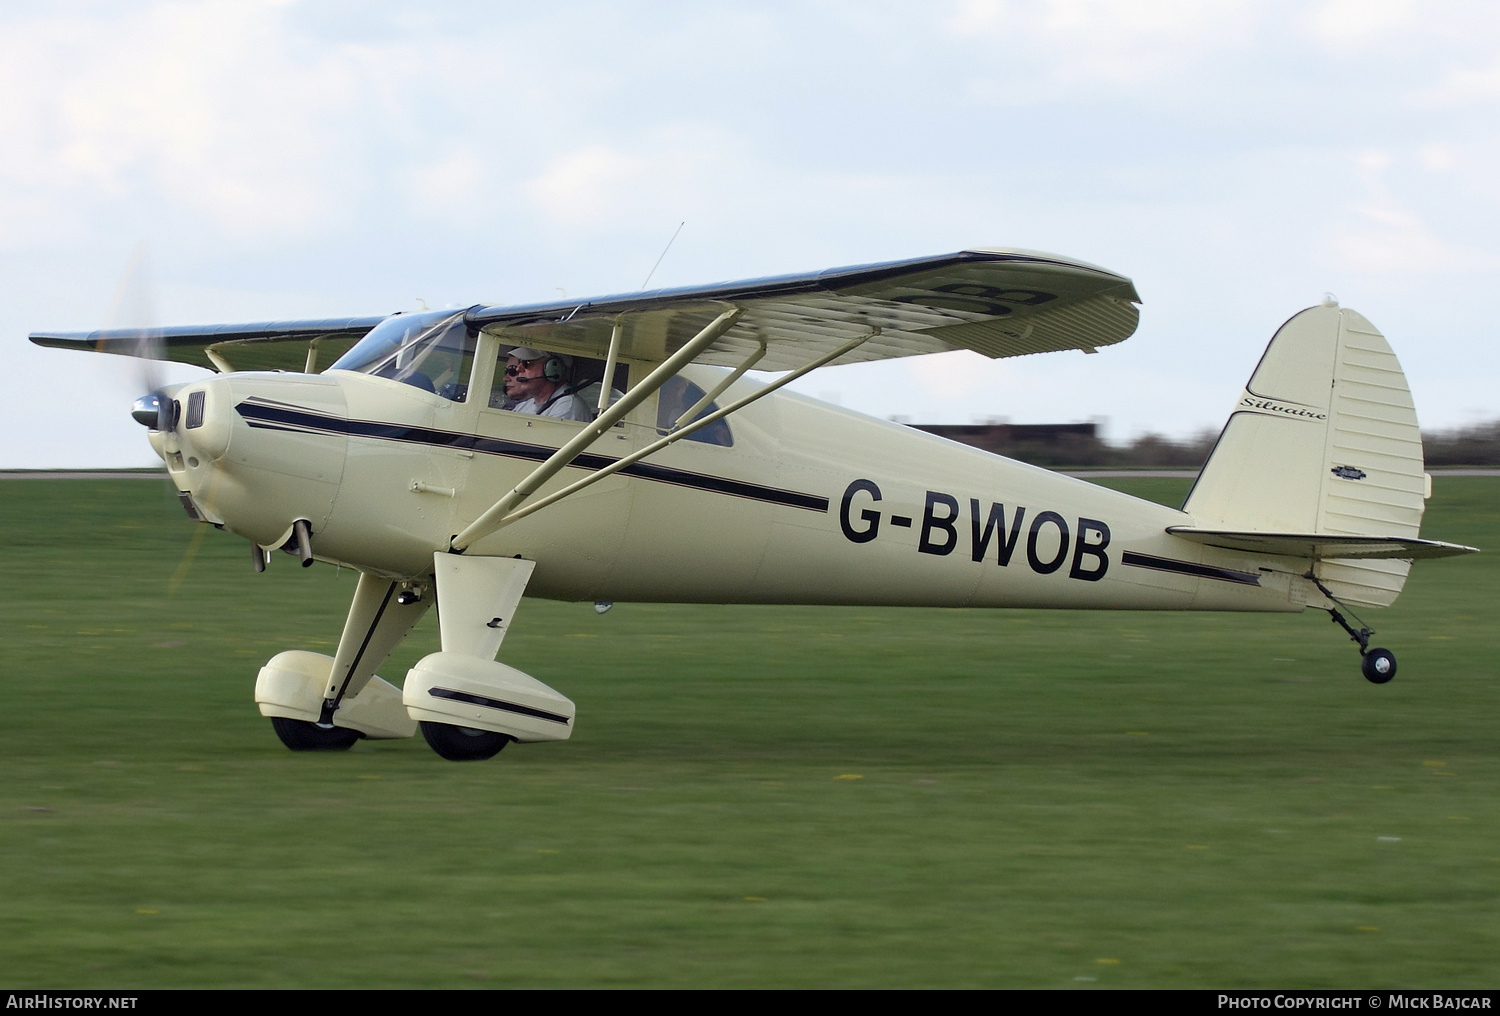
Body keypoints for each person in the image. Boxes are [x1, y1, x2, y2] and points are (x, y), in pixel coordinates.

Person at [500, 347, 594, 421]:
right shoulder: (523, 406)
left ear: (553, 368)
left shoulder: (567, 407)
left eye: (527, 362)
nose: (518, 368)